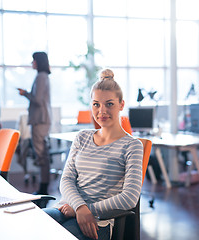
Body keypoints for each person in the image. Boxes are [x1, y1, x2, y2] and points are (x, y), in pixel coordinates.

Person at [43, 69, 143, 240]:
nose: (101, 111)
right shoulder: (82, 137)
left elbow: (129, 198)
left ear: (121, 105)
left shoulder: (132, 145)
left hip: (98, 222)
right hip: (67, 210)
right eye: (96, 104)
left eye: (109, 104)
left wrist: (85, 209)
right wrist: (79, 207)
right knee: (28, 225)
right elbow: (66, 180)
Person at [18, 52, 52, 195]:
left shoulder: (40, 77)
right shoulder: (44, 77)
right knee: (42, 155)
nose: (32, 63)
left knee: (41, 155)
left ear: (38, 61)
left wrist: (25, 93)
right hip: (42, 119)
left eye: (33, 60)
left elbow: (37, 100)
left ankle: (43, 188)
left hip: (40, 120)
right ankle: (43, 186)